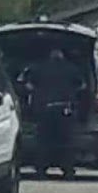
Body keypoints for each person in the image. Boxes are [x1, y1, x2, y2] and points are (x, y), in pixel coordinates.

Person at [28, 48, 83, 178]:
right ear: (62, 56)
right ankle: (68, 171)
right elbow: (82, 86)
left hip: (45, 109)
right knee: (66, 142)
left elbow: (29, 85)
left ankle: (41, 171)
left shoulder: (39, 69)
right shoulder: (72, 69)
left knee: (44, 141)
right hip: (64, 110)